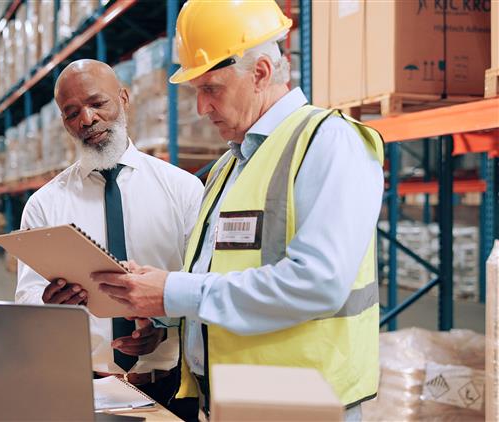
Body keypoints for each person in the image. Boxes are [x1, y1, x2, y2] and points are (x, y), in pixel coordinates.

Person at [93, 2, 384, 421]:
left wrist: (174, 291)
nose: (201, 108)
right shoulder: (230, 166)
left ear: (261, 73)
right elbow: (223, 276)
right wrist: (164, 319)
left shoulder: (329, 143)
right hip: (233, 400)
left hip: (303, 404)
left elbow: (318, 282)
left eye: (211, 88)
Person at [15, 59, 204, 417]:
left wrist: (163, 326)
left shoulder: (182, 190)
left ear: (124, 98)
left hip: (170, 387)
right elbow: (26, 297)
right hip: (81, 389)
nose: (87, 120)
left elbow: (202, 285)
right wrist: (49, 307)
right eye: (72, 113)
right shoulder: (44, 206)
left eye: (97, 103)